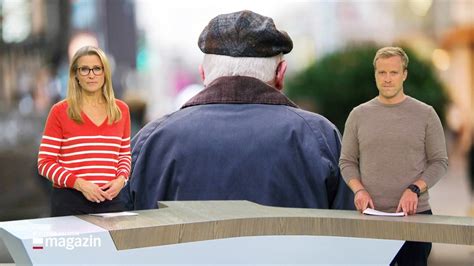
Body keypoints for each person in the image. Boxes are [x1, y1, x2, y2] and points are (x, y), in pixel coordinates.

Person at [122, 10, 354, 211]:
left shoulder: (149, 142)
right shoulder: (321, 137)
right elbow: (353, 233)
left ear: (203, 74)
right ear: (281, 73)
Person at [339, 46, 448, 265]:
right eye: (382, 73)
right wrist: (358, 190)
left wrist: (415, 189)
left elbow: (439, 162)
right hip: (370, 217)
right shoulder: (358, 115)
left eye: (393, 72)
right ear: (375, 75)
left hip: (415, 217)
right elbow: (347, 161)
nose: (387, 79)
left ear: (404, 74)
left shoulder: (425, 114)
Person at [37, 46, 131, 216]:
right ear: (76, 75)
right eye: (84, 69)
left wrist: (121, 179)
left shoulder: (121, 110)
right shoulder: (60, 111)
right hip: (70, 202)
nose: (91, 74)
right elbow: (45, 163)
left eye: (97, 68)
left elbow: (123, 156)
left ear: (105, 73)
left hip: (112, 201)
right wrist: (79, 184)